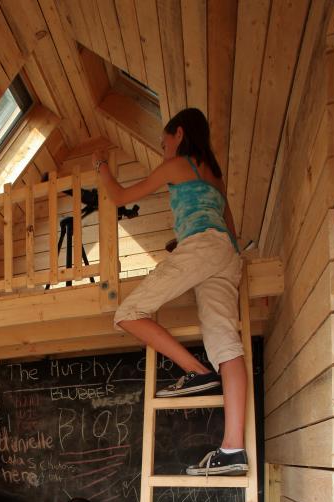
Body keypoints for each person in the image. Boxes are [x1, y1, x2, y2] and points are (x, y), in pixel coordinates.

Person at [94, 107, 247, 476]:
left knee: (127, 313)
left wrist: (101, 168)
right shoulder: (213, 176)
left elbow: (118, 196)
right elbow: (223, 226)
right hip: (226, 254)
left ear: (179, 134)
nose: (164, 149)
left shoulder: (180, 164)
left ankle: (195, 371)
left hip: (204, 248)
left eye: (164, 142)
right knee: (227, 346)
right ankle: (233, 449)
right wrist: (183, 244)